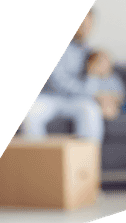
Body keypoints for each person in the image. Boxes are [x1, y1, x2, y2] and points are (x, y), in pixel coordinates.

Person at [20, 10, 106, 142]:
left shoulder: (90, 52)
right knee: (29, 114)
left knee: (90, 110)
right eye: (82, 25)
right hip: (50, 97)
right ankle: (39, 155)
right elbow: (58, 82)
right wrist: (88, 92)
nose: (86, 29)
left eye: (89, 25)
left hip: (76, 100)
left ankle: (87, 155)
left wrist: (94, 76)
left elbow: (100, 81)